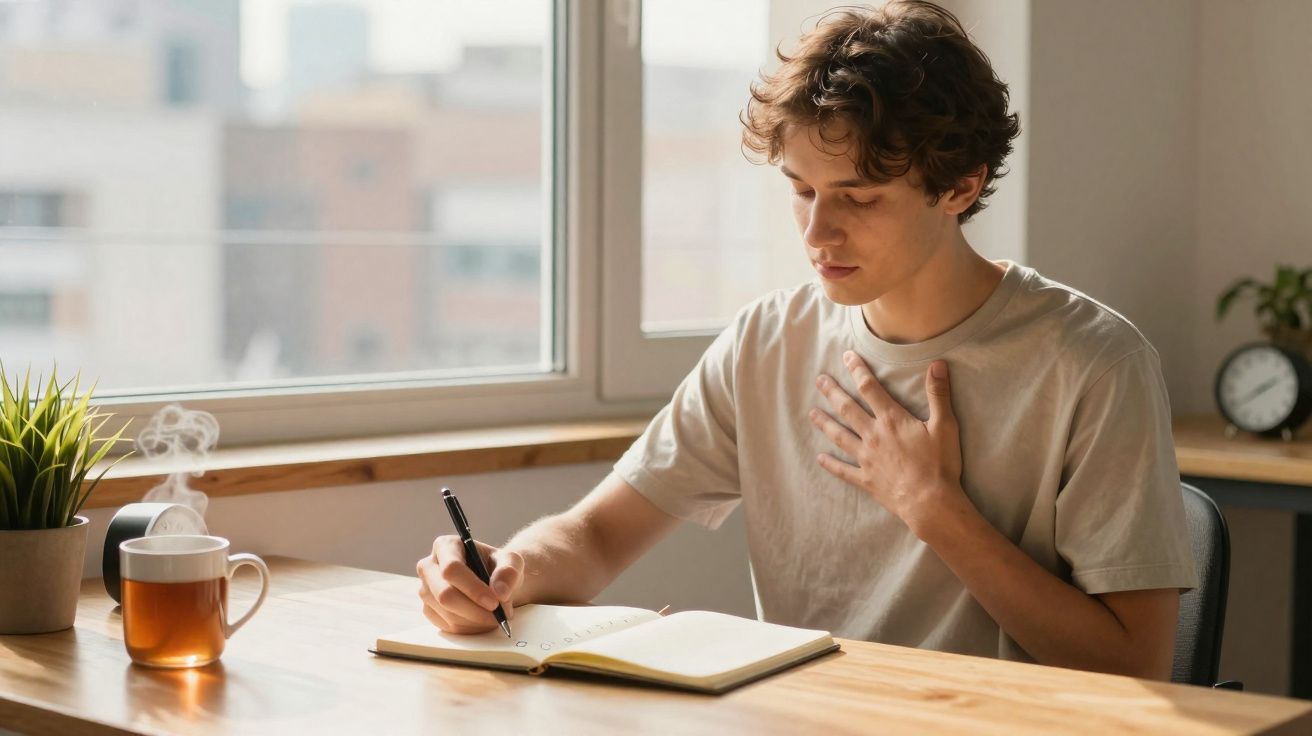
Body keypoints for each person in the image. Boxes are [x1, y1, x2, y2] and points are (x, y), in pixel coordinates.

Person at [416, 0, 1197, 679]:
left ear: (960, 186)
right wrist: (505, 572)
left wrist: (936, 510)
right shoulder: (767, 341)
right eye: (801, 190)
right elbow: (596, 535)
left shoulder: (1096, 363)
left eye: (859, 197)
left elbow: (1133, 665)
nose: (818, 232)